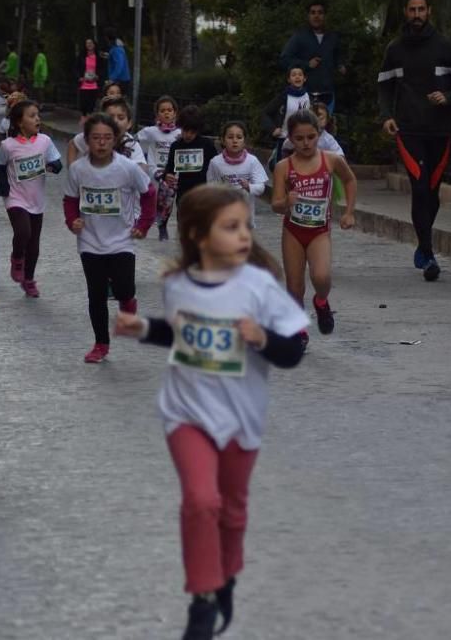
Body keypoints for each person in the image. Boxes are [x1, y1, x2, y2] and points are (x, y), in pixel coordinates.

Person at [113, 185, 307, 640]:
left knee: (232, 508)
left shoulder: (259, 287)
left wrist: (261, 338)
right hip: (187, 413)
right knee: (202, 502)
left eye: (245, 226)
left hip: (241, 417)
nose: (244, 235)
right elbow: (180, 334)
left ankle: (227, 575)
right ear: (199, 236)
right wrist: (141, 328)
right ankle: (202, 598)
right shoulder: (177, 284)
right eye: (231, 227)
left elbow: (294, 350)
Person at [377, 0, 451, 282]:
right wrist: (386, 116)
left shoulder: (444, 46)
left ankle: (423, 244)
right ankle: (428, 253)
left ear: (428, 11)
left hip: (440, 130)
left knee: (431, 192)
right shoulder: (395, 49)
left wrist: (448, 96)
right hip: (408, 129)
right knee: (419, 187)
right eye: (412, 9)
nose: (417, 14)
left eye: (421, 9)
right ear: (405, 12)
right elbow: (384, 86)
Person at [64, 113, 155, 363]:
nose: (102, 143)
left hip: (122, 239)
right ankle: (100, 344)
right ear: (87, 141)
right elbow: (70, 200)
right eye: (96, 138)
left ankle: (128, 301)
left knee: (124, 286)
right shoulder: (78, 170)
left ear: (115, 140)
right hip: (90, 241)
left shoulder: (127, 168)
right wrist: (72, 221)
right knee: (96, 294)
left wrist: (143, 225)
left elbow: (149, 194)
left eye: (107, 138)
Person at [270, 110, 356, 351]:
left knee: (321, 277)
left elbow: (349, 180)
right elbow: (275, 204)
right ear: (291, 139)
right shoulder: (283, 167)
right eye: (299, 138)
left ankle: (321, 302)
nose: (306, 143)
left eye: (311, 137)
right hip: (293, 231)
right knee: (294, 286)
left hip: (319, 230)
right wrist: (286, 201)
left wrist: (349, 211)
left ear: (319, 135)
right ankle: (299, 330)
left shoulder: (330, 160)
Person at [0, 100, 63, 298]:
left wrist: (55, 166)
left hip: (37, 199)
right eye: (32, 116)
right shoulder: (7, 145)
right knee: (23, 231)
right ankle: (16, 258)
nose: (37, 119)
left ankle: (29, 279)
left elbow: (55, 161)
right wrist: (3, 185)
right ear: (19, 122)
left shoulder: (44, 141)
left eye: (37, 115)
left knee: (34, 244)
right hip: (15, 197)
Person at [279, 0, 345, 112]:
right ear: (308, 16)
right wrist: (306, 64)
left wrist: (340, 65)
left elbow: (338, 56)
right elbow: (284, 59)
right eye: (313, 13)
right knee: (306, 128)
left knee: (325, 128)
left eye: (320, 12)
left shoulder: (333, 37)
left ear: (325, 16)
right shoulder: (299, 37)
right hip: (305, 94)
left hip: (327, 94)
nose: (316, 16)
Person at [137, 95, 181, 240]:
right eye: (162, 111)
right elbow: (134, 139)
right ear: (157, 114)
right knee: (152, 197)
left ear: (175, 113)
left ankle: (163, 226)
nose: (166, 113)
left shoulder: (179, 134)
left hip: (171, 173)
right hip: (154, 170)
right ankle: (145, 221)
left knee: (168, 200)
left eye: (170, 110)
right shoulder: (151, 131)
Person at [206, 121, 269, 223]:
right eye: (230, 137)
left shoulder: (252, 161)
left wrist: (249, 186)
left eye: (239, 137)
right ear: (223, 140)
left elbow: (261, 188)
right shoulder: (215, 162)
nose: (235, 141)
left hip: (246, 216)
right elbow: (211, 187)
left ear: (244, 141)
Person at [163, 105, 217, 220]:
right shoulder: (176, 146)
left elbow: (216, 167)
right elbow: (169, 168)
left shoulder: (207, 145)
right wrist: (167, 175)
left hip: (203, 192)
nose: (188, 134)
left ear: (198, 130)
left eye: (192, 131)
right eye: (185, 130)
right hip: (183, 193)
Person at [68, 96, 148, 170]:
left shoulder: (130, 143)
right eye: (110, 117)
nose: (115, 121)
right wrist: (72, 169)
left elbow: (142, 166)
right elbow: (73, 144)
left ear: (129, 123)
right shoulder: (93, 137)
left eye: (121, 118)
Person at [261, 66, 311, 171]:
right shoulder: (283, 97)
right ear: (289, 79)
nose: (297, 77)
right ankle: (274, 162)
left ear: (305, 78)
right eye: (294, 75)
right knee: (283, 169)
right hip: (285, 138)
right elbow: (266, 113)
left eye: (300, 74)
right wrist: (273, 129)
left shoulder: (308, 96)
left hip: (303, 139)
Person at [75, 38, 107, 123]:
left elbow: (102, 69)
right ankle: (84, 118)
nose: (89, 45)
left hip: (94, 84)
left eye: (91, 43)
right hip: (84, 84)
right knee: (84, 104)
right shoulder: (81, 56)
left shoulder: (98, 57)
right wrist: (80, 77)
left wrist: (98, 76)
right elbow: (77, 68)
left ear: (94, 45)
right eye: (87, 43)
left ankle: (91, 120)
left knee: (92, 104)